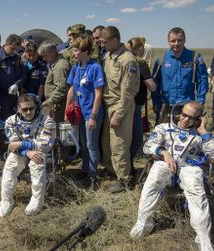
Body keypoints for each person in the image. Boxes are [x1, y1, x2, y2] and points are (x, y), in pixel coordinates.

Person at [130, 102, 214, 251]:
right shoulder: (164, 128)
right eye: (184, 114)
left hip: (189, 170)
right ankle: (144, 221)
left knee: (194, 181)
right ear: (179, 112)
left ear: (199, 119)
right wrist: (163, 152)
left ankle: (203, 237)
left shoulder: (200, 134)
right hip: (167, 167)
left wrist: (203, 131)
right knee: (156, 172)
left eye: (191, 118)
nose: (185, 119)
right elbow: (147, 146)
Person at [0, 94, 56, 217]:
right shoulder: (11, 121)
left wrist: (23, 143)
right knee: (10, 166)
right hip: (22, 152)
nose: (28, 112)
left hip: (39, 152)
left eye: (31, 108)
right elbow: (13, 144)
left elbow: (45, 144)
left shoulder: (47, 121)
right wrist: (27, 151)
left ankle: (37, 200)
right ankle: (6, 200)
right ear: (18, 109)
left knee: (37, 162)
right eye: (24, 109)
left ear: (36, 107)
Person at [100, 26, 140, 192]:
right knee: (107, 143)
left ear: (115, 40)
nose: (102, 45)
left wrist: (119, 114)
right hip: (107, 105)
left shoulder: (127, 60)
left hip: (120, 106)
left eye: (104, 42)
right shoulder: (108, 56)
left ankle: (124, 179)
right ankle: (111, 170)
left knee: (119, 145)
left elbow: (128, 92)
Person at [65, 34, 104, 186]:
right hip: (78, 113)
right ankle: (85, 169)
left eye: (76, 51)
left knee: (91, 144)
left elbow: (99, 93)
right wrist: (68, 108)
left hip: (91, 113)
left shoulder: (95, 68)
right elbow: (71, 89)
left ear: (85, 51)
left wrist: (93, 116)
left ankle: (93, 175)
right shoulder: (75, 68)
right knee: (82, 143)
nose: (74, 53)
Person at [153, 27, 208, 124]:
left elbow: (202, 80)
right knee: (164, 134)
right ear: (168, 41)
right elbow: (155, 84)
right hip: (166, 105)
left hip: (187, 106)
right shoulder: (162, 60)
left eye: (179, 40)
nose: (176, 43)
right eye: (173, 41)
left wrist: (200, 101)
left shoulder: (194, 57)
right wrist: (155, 102)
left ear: (185, 40)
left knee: (187, 136)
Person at [125, 36, 157, 174]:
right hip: (136, 104)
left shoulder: (123, 61)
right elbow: (152, 86)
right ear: (139, 49)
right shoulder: (140, 63)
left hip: (122, 103)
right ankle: (129, 167)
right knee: (137, 139)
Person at [0, 34, 23, 120]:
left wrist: (17, 84)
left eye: (17, 50)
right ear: (6, 45)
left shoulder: (16, 58)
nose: (14, 52)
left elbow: (23, 74)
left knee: (14, 123)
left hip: (13, 98)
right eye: (12, 49)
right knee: (2, 126)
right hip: (0, 98)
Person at [40, 41, 70, 124]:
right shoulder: (55, 64)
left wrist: (50, 101)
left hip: (59, 107)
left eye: (45, 55)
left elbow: (62, 88)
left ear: (53, 53)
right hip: (55, 105)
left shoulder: (60, 66)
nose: (44, 59)